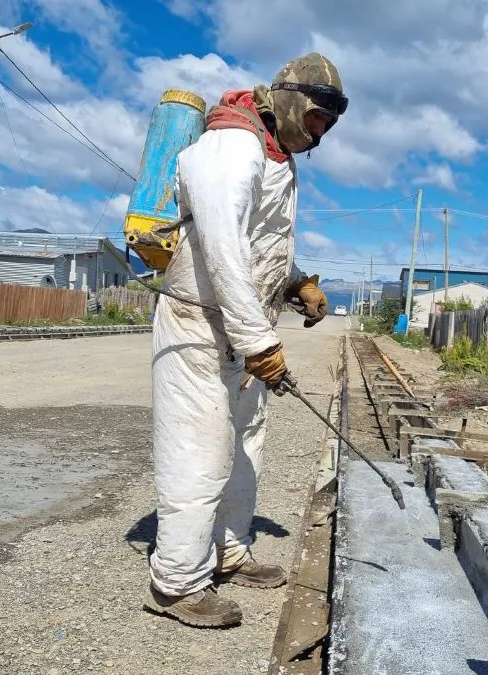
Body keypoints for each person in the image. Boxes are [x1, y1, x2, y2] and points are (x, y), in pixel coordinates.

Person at [143, 52, 347, 628]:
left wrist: (294, 283)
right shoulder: (231, 146)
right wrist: (261, 342)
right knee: (199, 451)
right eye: (316, 119)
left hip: (241, 328)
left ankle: (228, 551)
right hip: (197, 326)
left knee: (246, 445)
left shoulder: (274, 157)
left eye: (327, 126)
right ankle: (176, 583)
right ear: (289, 99)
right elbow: (220, 246)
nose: (319, 134)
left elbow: (257, 246)